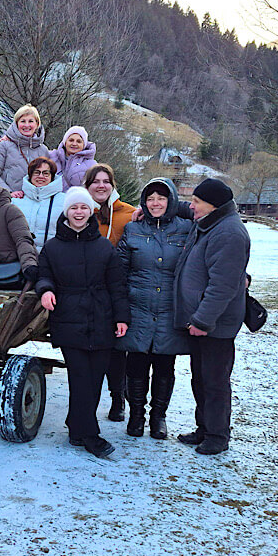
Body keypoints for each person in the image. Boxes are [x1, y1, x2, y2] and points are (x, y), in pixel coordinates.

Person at [37, 187, 130, 458]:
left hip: (102, 317)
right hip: (68, 317)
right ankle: (91, 435)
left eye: (84, 208)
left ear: (91, 211)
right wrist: (46, 291)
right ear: (67, 212)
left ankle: (75, 427)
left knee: (95, 378)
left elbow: (117, 284)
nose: (79, 212)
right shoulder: (53, 247)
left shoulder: (104, 246)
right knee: (80, 376)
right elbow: (44, 275)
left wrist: (122, 316)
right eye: (74, 208)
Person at [174, 177, 251, 456]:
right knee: (201, 378)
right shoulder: (212, 222)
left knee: (215, 381)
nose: (191, 206)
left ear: (212, 205)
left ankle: (218, 435)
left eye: (196, 202)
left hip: (215, 324)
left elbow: (223, 285)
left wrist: (203, 321)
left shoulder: (228, 233)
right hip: (202, 321)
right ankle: (205, 428)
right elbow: (182, 208)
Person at [116, 179, 192, 440]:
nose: (155, 203)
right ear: (143, 203)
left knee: (164, 367)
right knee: (135, 366)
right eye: (150, 199)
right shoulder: (133, 229)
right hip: (138, 307)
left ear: (170, 200)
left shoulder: (186, 229)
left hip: (170, 310)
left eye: (161, 198)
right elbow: (120, 270)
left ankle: (158, 417)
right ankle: (136, 415)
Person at [82, 163, 139, 422]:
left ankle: (118, 398)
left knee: (116, 349)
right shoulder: (79, 209)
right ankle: (85, 403)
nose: (101, 185)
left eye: (106, 181)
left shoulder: (127, 213)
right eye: (96, 181)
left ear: (112, 184)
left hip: (116, 287)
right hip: (85, 288)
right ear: (88, 185)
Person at [0, 105, 50, 197]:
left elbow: (49, 175)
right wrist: (8, 192)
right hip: (9, 202)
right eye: (23, 121)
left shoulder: (43, 150)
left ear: (37, 124)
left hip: (36, 202)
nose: (27, 125)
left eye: (31, 121)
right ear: (16, 124)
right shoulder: (4, 145)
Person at [12, 157, 64, 251]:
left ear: (52, 177)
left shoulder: (64, 201)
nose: (40, 176)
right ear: (30, 175)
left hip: (52, 259)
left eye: (45, 173)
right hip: (20, 258)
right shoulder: (16, 200)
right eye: (36, 172)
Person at [51, 126, 98, 191]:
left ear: (84, 145)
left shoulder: (92, 165)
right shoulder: (51, 156)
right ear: (65, 142)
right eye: (71, 140)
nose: (74, 144)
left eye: (79, 141)